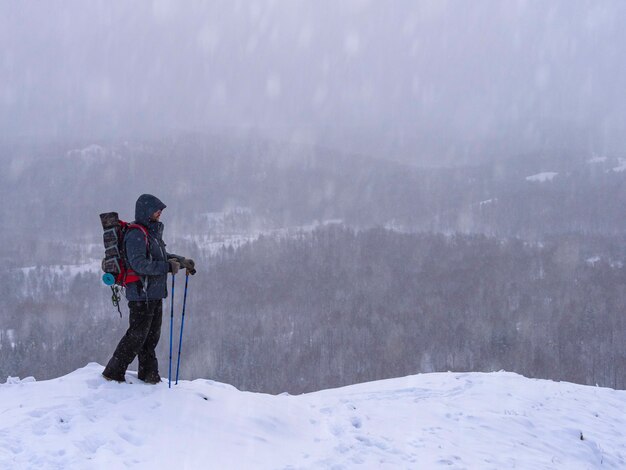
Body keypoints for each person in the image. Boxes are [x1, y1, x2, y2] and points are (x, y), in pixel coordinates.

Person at [102, 194, 195, 384]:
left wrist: (181, 261)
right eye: (156, 210)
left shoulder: (151, 233)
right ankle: (113, 372)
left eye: (160, 210)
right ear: (146, 211)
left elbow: (161, 255)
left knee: (151, 337)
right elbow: (139, 264)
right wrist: (168, 267)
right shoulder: (136, 234)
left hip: (153, 292)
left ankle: (149, 375)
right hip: (140, 293)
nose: (159, 213)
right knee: (137, 335)